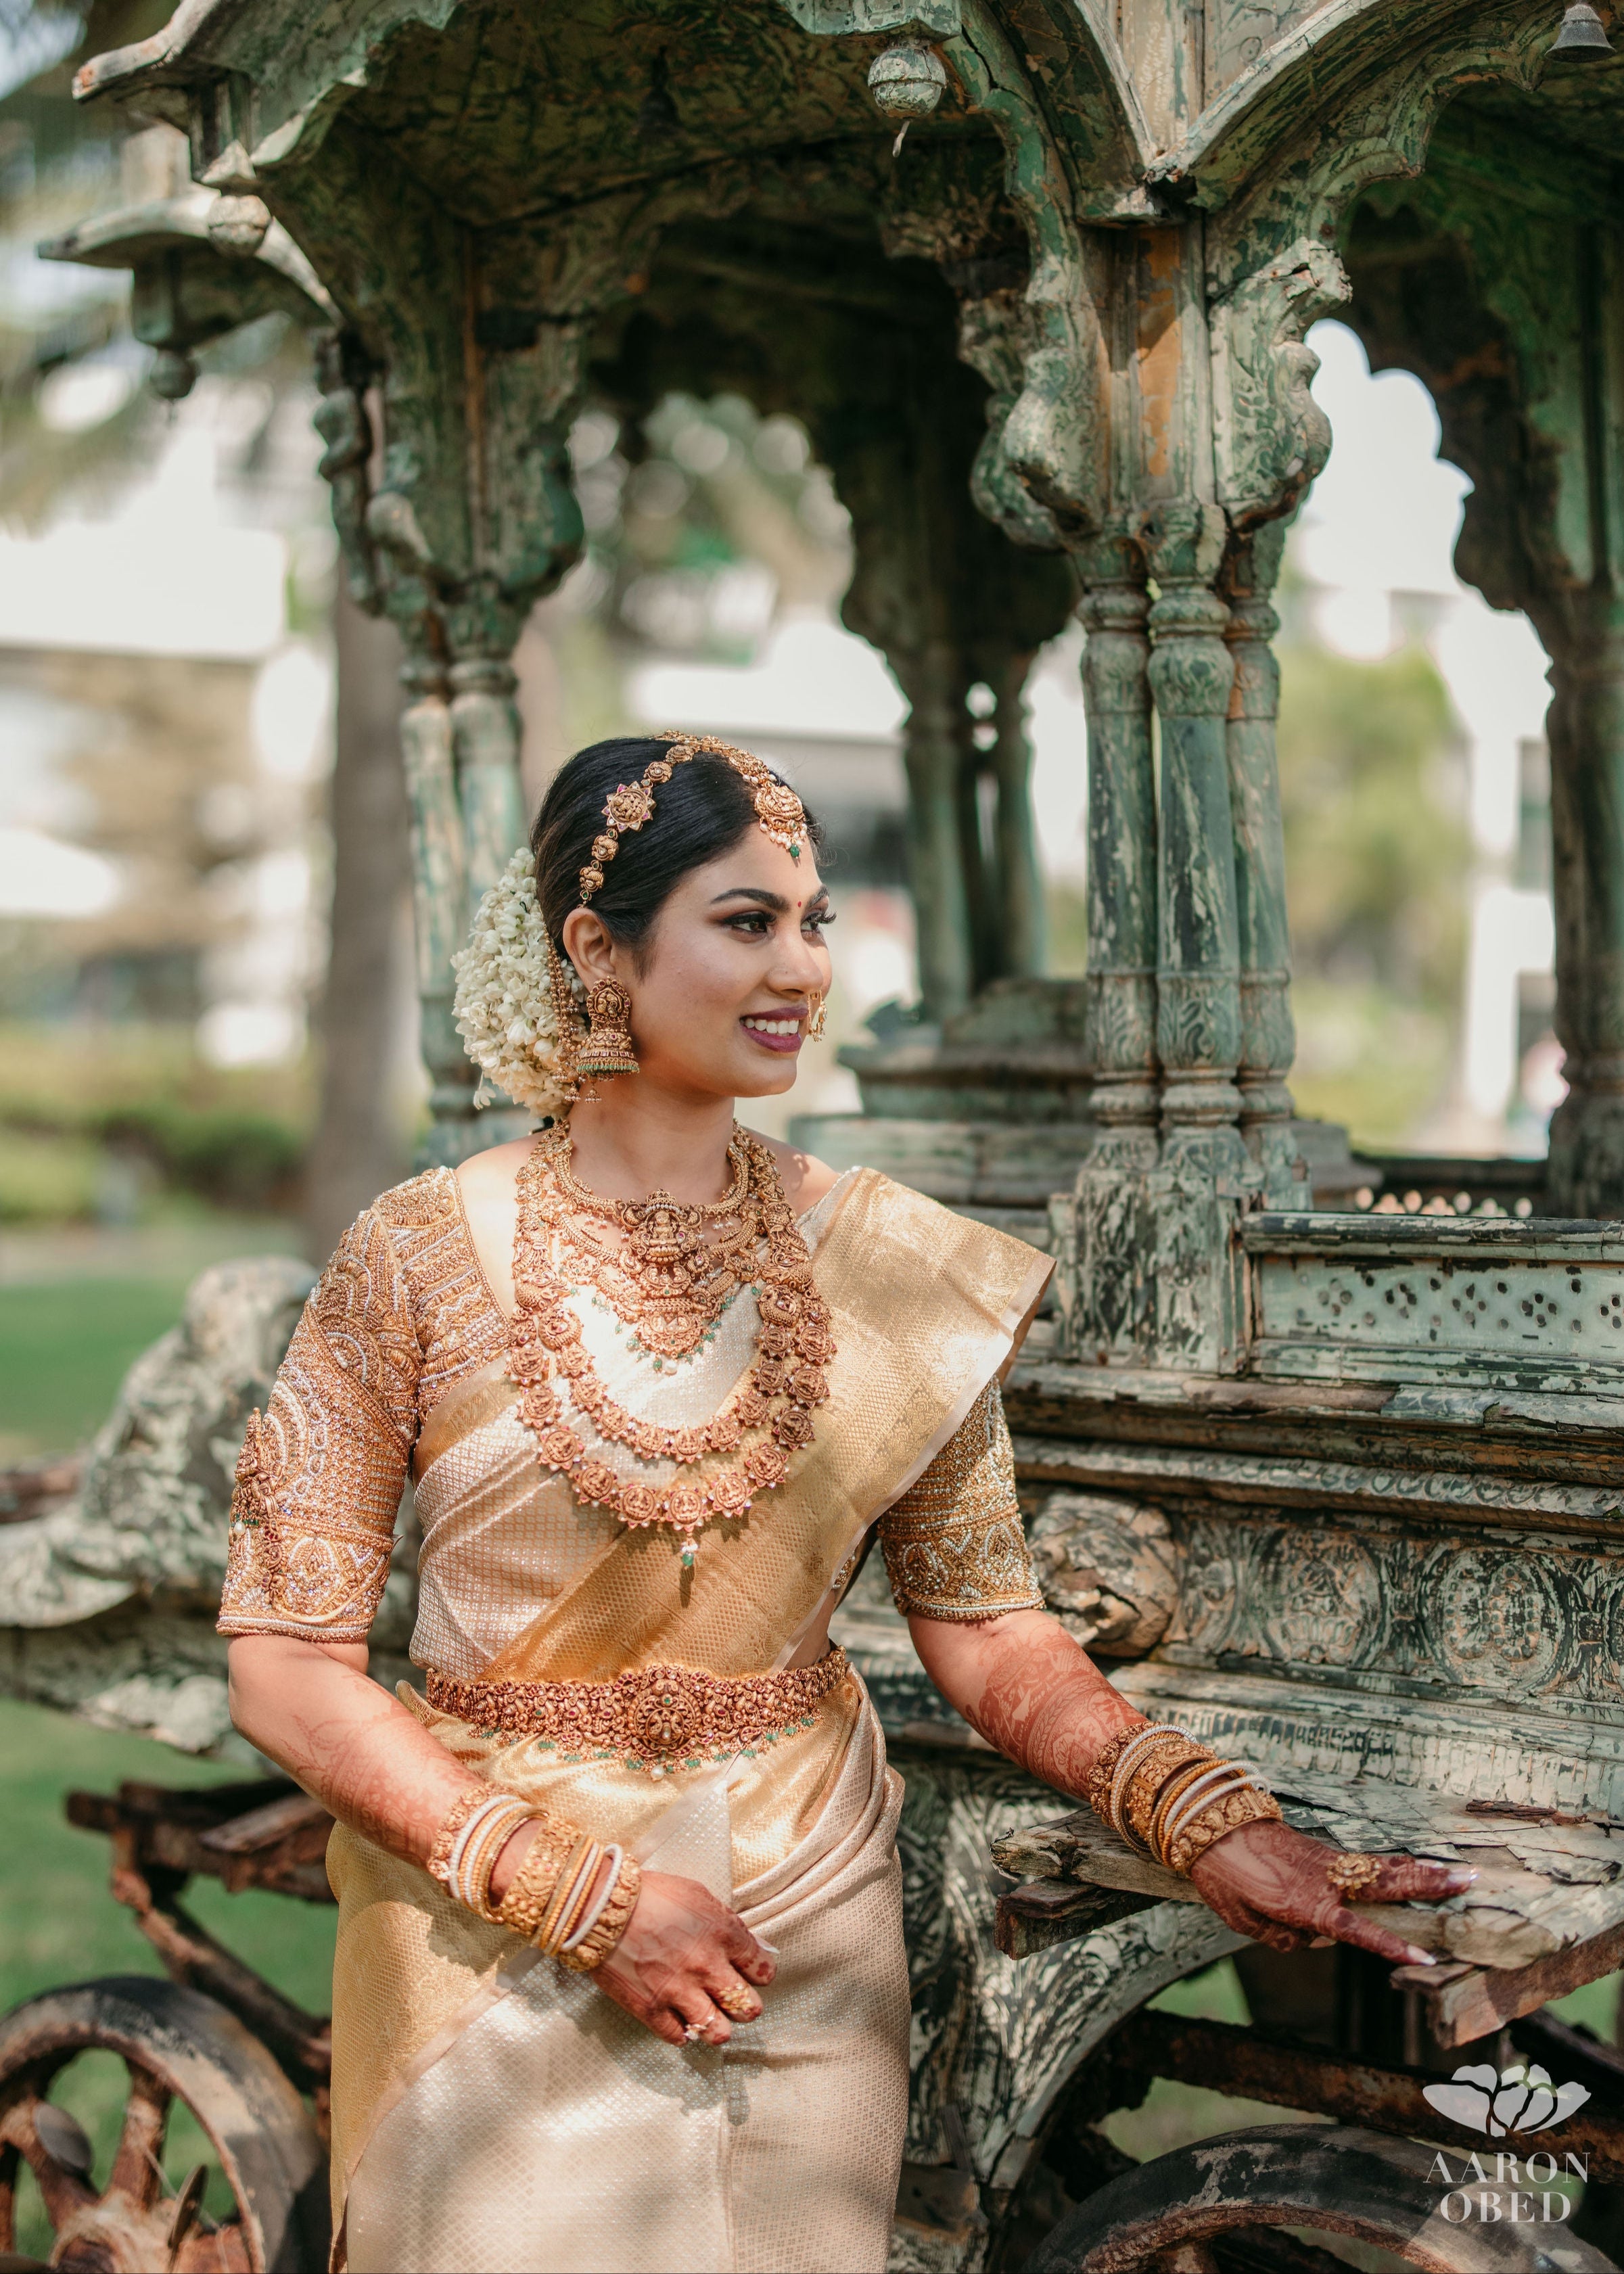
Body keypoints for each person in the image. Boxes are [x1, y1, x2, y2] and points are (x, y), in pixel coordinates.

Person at [221, 733, 1470, 2274]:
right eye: (746, 920)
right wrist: (579, 1898)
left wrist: (1198, 1816)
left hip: (799, 1925)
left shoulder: (887, 1266)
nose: (804, 966)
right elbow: (283, 1663)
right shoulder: (410, 1256)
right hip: (497, 1936)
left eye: (812, 920)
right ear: (596, 951)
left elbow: (989, 1626)